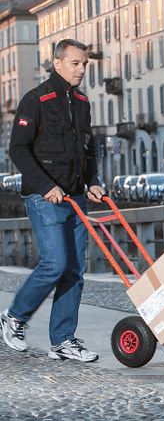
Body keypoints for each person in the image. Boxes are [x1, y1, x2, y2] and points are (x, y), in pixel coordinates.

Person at [1, 39, 105, 362]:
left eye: (85, 64)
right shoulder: (36, 100)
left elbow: (88, 149)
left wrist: (93, 181)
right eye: (76, 63)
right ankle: (13, 317)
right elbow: (18, 149)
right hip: (43, 197)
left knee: (74, 270)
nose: (82, 69)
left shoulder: (82, 102)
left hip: (75, 197)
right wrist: (47, 186)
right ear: (57, 63)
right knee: (54, 264)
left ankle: (62, 341)